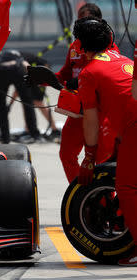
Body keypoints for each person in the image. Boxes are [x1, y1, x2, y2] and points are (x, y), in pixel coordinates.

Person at [26, 3, 117, 182]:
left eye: (86, 19)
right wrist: (42, 79)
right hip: (77, 109)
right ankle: (79, 195)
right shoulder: (75, 45)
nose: (82, 22)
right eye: (80, 18)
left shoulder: (108, 43)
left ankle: (103, 200)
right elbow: (64, 75)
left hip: (100, 111)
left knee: (100, 161)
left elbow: (110, 71)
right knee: (66, 154)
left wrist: (82, 79)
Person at [74, 17, 137, 266]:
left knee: (128, 188)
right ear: (110, 39)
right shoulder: (126, 61)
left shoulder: (89, 73)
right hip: (131, 128)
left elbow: (90, 120)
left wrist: (89, 158)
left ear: (80, 46)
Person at [0, 49, 41, 144]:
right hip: (18, 71)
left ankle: (5, 137)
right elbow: (27, 66)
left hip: (1, 72)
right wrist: (35, 81)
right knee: (27, 104)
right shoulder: (20, 55)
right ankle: (34, 134)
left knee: (1, 107)